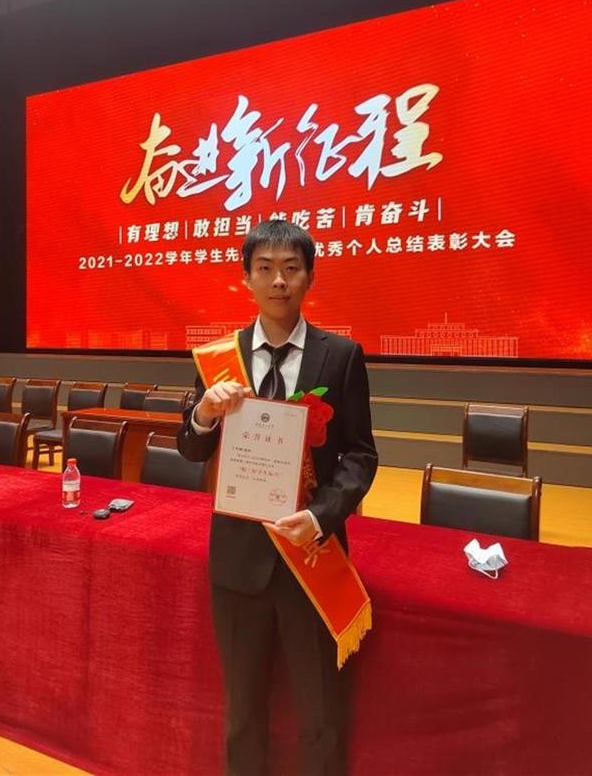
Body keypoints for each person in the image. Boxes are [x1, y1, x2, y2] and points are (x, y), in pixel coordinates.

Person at [177, 220, 378, 776]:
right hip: (237, 563)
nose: (279, 281)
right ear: (246, 278)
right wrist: (204, 413)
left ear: (309, 277)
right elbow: (191, 448)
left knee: (319, 716)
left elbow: (361, 456)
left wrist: (320, 516)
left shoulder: (341, 356)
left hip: (309, 557)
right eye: (264, 269)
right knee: (242, 713)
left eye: (291, 268)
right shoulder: (221, 358)